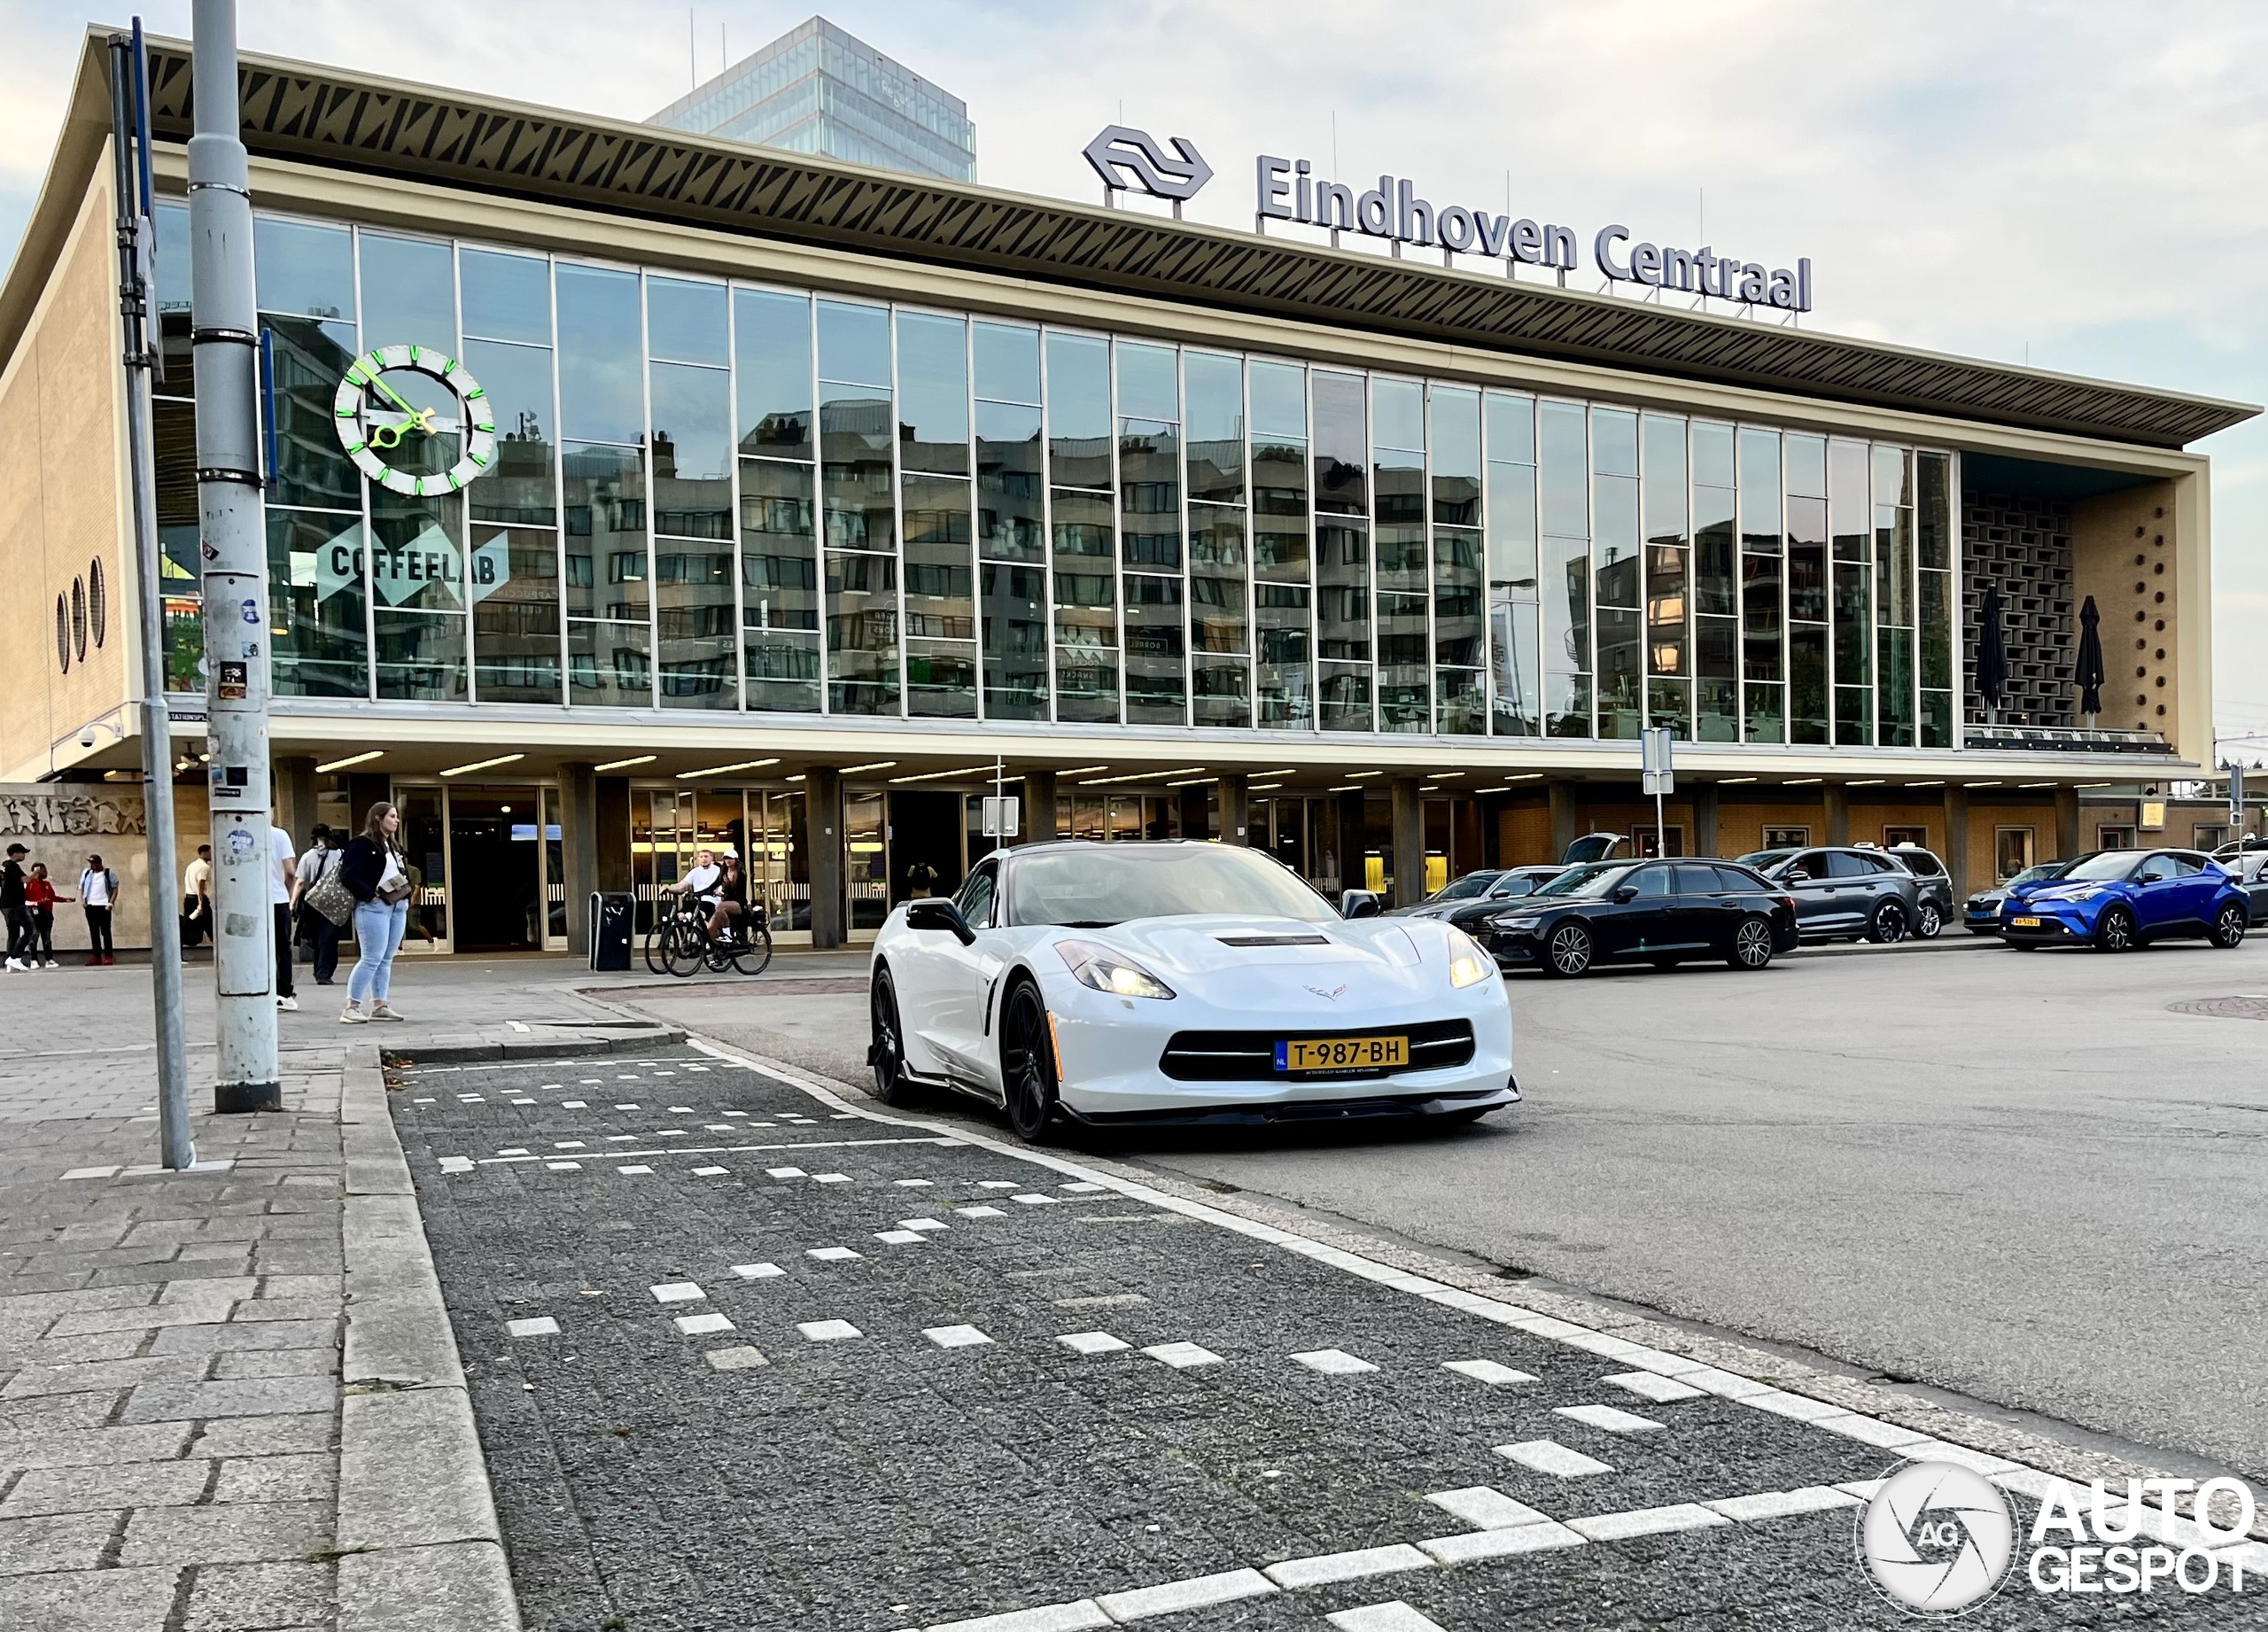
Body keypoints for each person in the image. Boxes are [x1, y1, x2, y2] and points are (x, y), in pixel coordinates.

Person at [339, 802, 412, 1023]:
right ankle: (351, 1007)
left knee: (386, 958)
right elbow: (348, 874)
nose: (396, 821)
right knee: (372, 957)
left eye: (397, 817)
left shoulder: (393, 846)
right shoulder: (362, 844)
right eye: (392, 816)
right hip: (374, 907)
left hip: (397, 906)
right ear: (378, 818)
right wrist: (369, 895)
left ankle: (380, 1004)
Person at [291, 827, 344, 985]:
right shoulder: (340, 854)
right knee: (330, 938)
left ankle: (318, 970)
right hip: (333, 902)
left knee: (316, 938)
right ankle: (324, 973)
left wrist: (292, 903)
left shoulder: (307, 856)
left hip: (313, 902)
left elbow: (300, 882)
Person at [269, 821, 299, 1012]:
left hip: (249, 902)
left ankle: (262, 989)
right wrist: (287, 892)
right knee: (282, 948)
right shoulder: (279, 835)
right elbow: (290, 872)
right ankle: (284, 994)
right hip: (277, 898)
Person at [24, 863, 68, 968]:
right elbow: (25, 900)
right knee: (34, 937)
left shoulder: (47, 884)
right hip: (35, 913)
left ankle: (49, 959)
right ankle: (33, 959)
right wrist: (37, 903)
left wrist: (66, 900)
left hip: (47, 913)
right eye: (40, 870)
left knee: (47, 938)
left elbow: (52, 897)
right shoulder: (29, 884)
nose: (43, 872)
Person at [661, 847, 722, 921]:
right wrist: (668, 888)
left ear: (711, 858)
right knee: (679, 913)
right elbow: (682, 885)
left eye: (706, 856)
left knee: (701, 911)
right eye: (701, 857)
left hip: (712, 901)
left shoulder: (718, 870)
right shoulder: (695, 871)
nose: (704, 859)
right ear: (698, 859)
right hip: (697, 900)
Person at [79, 853, 116, 966]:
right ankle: (96, 955)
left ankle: (109, 955)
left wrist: (110, 903)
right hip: (91, 905)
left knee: (105, 931)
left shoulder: (108, 873)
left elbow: (115, 888)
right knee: (93, 931)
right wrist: (83, 901)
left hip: (103, 904)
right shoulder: (87, 873)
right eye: (91, 863)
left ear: (99, 863)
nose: (92, 865)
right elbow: (81, 886)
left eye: (94, 863)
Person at [705, 852, 750, 944]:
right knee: (711, 927)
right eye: (726, 858)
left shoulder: (741, 873)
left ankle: (727, 934)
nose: (728, 861)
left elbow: (738, 891)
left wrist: (723, 894)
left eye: (730, 858)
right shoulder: (724, 873)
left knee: (719, 907)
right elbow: (714, 885)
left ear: (735, 859)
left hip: (738, 903)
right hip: (725, 903)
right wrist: (703, 892)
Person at [2, 843, 29, 972]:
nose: (24, 855)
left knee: (13, 933)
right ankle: (14, 957)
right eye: (22, 853)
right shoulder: (12, 866)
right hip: (15, 905)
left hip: (7, 906)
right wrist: (36, 872)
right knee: (30, 929)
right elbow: (26, 880)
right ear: (15, 854)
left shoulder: (6, 868)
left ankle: (10, 962)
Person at [182, 844, 212, 948]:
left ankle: (178, 952)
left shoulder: (192, 865)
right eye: (210, 852)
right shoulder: (204, 867)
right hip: (198, 900)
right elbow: (201, 884)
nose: (212, 855)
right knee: (210, 926)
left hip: (189, 899)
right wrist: (200, 903)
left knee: (189, 926)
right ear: (204, 853)